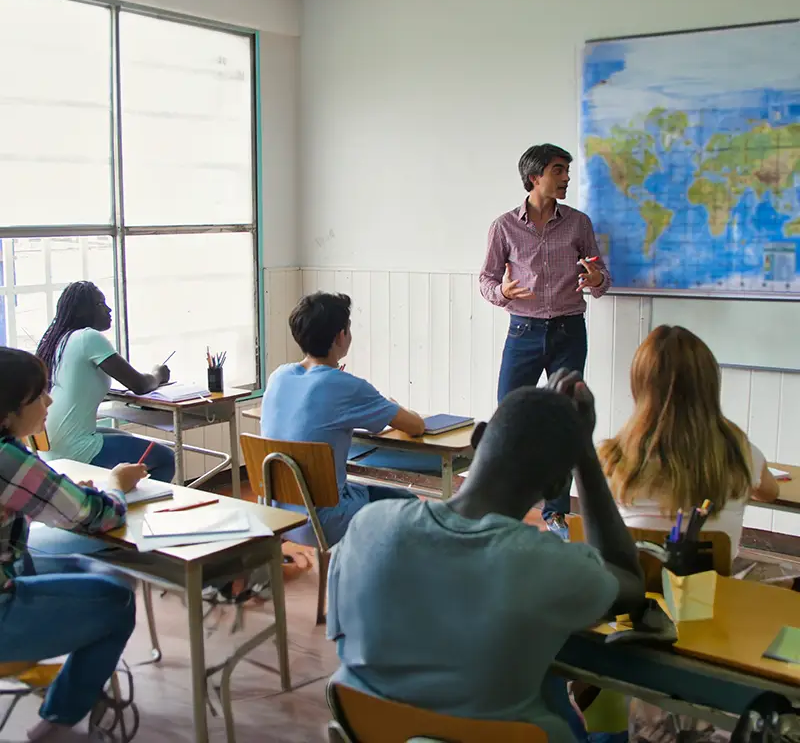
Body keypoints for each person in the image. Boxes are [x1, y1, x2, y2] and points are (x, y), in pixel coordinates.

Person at [326, 369, 646, 742]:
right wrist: (584, 454)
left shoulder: (367, 527)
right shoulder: (549, 568)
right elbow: (627, 580)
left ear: (477, 439)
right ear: (560, 484)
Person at [0, 346, 145, 742]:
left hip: (10, 568)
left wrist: (57, 496)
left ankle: (71, 687)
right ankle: (58, 722)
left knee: (101, 570)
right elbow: (100, 516)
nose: (49, 401)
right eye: (40, 395)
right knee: (118, 601)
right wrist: (115, 484)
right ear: (8, 412)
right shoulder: (8, 459)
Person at [479, 144, 611, 539]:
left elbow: (601, 275)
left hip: (569, 330)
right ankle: (503, 505)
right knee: (509, 419)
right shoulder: (504, 226)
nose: (566, 178)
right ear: (535, 177)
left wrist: (596, 280)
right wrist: (503, 292)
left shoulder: (578, 223)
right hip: (523, 330)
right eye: (559, 170)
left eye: (567, 171)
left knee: (566, 421)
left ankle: (556, 514)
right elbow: (485, 280)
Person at [599, 325, 780, 558]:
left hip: (633, 589)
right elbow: (770, 492)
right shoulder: (741, 452)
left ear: (639, 385)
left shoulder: (611, 459)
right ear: (710, 383)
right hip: (712, 590)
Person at [260, 292, 425, 547]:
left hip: (276, 513)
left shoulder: (278, 377)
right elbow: (415, 426)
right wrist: (393, 406)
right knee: (409, 505)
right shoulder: (345, 385)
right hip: (323, 519)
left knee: (367, 490)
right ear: (340, 336)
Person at [36, 281, 174, 482]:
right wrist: (158, 374)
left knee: (128, 439)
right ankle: (133, 506)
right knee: (166, 458)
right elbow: (140, 385)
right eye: (101, 304)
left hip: (49, 441)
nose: (109, 310)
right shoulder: (88, 337)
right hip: (72, 445)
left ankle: (119, 497)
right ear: (85, 311)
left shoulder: (61, 339)